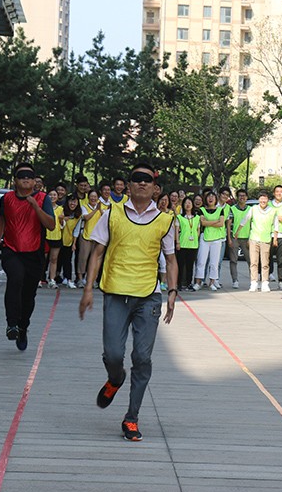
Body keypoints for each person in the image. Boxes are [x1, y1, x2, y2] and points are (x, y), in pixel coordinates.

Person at [79, 163, 177, 442]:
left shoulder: (165, 221)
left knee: (142, 358)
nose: (142, 183)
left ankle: (131, 417)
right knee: (113, 354)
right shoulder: (112, 214)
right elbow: (97, 253)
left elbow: (170, 260)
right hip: (115, 293)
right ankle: (115, 378)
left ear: (155, 188)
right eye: (136, 179)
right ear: (129, 185)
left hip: (149, 297)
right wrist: (88, 289)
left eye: (147, 180)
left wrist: (171, 293)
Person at [0, 163, 55, 351]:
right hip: (11, 249)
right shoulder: (7, 198)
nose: (26, 179)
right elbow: (1, 218)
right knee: (15, 278)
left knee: (28, 295)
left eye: (29, 177)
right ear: (15, 180)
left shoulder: (43, 199)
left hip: (34, 252)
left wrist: (35, 206)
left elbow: (51, 225)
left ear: (35, 180)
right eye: (22, 177)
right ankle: (11, 323)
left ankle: (23, 327)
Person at [235, 190, 277, 292]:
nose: (263, 200)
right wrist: (237, 231)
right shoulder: (253, 209)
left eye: (265, 198)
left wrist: (275, 238)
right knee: (253, 262)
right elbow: (245, 220)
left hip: (266, 239)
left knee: (265, 262)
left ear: (268, 200)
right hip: (254, 238)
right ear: (259, 199)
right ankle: (253, 282)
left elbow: (275, 226)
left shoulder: (272, 211)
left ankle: (265, 283)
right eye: (261, 198)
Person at [193, 191, 226, 290]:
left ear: (216, 199)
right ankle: (198, 282)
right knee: (201, 261)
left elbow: (221, 224)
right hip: (205, 238)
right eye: (208, 197)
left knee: (214, 262)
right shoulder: (202, 210)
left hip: (217, 239)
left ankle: (212, 282)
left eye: (212, 197)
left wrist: (209, 222)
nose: (210, 199)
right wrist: (216, 221)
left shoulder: (220, 210)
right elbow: (202, 223)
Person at [76, 189, 103, 288]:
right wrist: (96, 210)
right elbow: (86, 217)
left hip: (97, 237)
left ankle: (92, 279)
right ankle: (80, 279)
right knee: (83, 258)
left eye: (95, 197)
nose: (93, 198)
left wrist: (99, 209)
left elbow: (105, 217)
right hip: (86, 236)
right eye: (91, 196)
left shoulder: (101, 208)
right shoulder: (84, 207)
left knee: (94, 260)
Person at [227, 189, 251, 289]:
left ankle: (253, 280)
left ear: (247, 197)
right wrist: (229, 238)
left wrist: (251, 238)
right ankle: (235, 280)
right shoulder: (232, 208)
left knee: (251, 261)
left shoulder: (250, 209)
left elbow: (253, 224)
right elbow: (228, 224)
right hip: (235, 238)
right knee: (233, 260)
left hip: (247, 238)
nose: (242, 197)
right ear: (237, 197)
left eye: (244, 195)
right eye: (240, 195)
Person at [176, 196, 200, 290]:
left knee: (190, 265)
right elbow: (176, 231)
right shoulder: (179, 217)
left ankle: (189, 283)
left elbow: (198, 230)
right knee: (180, 265)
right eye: (186, 203)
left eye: (190, 202)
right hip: (182, 244)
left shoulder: (197, 217)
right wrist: (177, 242)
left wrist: (195, 238)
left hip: (193, 245)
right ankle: (179, 284)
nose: (188, 204)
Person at [58, 194, 81, 289]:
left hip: (69, 240)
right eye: (71, 201)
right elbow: (60, 226)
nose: (73, 203)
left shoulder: (78, 215)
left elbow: (76, 230)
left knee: (68, 260)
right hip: (59, 238)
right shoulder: (62, 211)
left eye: (75, 201)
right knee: (58, 260)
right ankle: (56, 276)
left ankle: (68, 279)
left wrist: (74, 243)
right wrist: (62, 220)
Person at [268, 185, 282, 283]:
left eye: (281, 192)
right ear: (274, 193)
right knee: (268, 257)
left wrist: (281, 218)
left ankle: (280, 280)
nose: (279, 193)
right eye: (277, 191)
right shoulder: (268, 204)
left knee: (281, 259)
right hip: (269, 234)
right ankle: (269, 274)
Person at [45, 190, 63, 289]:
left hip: (56, 236)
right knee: (43, 259)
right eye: (50, 195)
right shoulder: (44, 208)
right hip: (46, 236)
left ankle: (52, 279)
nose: (52, 196)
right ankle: (40, 278)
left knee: (54, 259)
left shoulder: (61, 209)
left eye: (54, 195)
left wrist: (62, 220)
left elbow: (62, 225)